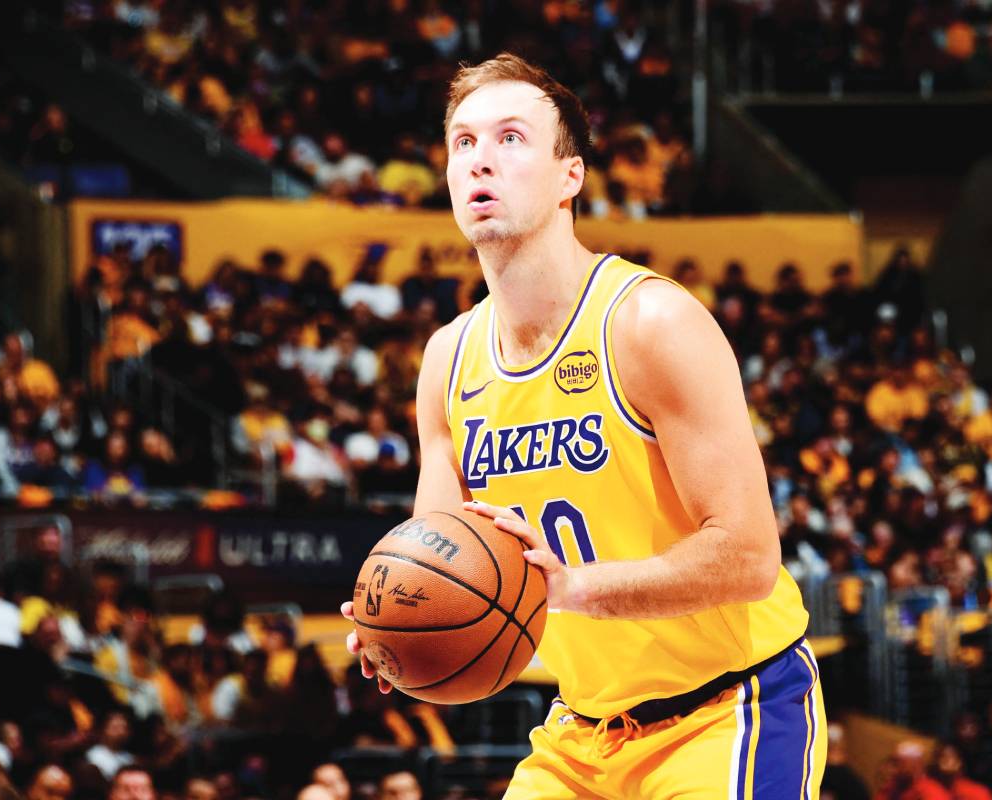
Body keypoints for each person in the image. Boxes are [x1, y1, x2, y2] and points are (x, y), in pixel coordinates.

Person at [342, 53, 823, 798]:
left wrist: (569, 588)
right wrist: (399, 623)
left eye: (510, 138)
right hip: (582, 731)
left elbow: (749, 558)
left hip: (729, 707)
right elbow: (443, 556)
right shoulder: (447, 360)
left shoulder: (649, 323)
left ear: (571, 176)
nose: (480, 160)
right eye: (463, 142)